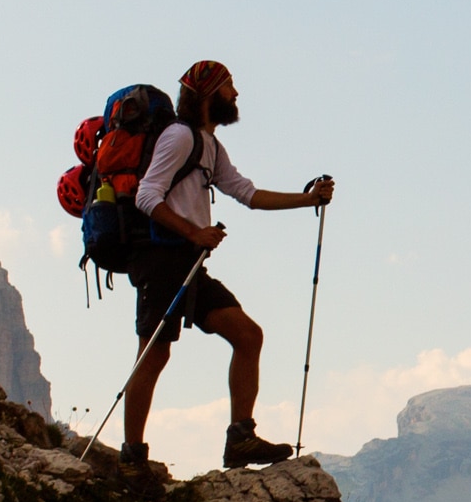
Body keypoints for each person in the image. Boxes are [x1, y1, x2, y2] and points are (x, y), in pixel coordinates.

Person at [120, 59, 334, 472]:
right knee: (155, 352)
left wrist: (310, 199)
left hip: (188, 262)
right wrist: (193, 232)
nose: (235, 95)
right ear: (207, 94)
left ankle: (240, 439)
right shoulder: (179, 137)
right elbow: (147, 196)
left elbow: (247, 194)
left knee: (247, 335)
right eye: (229, 86)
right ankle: (132, 457)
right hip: (161, 258)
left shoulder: (210, 146)